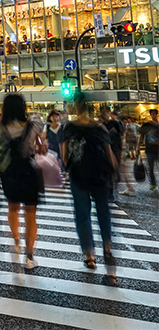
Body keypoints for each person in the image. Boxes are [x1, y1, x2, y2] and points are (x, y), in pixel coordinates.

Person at [61, 92, 117, 284]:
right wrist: (114, 173)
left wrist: (69, 170)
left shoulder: (69, 127)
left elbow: (65, 155)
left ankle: (90, 255)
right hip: (100, 177)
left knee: (83, 215)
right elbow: (110, 155)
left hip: (79, 176)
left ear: (75, 106)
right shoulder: (100, 127)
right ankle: (107, 248)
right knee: (103, 213)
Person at [0, 94, 43, 269]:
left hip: (8, 171)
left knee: (13, 208)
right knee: (30, 214)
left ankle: (16, 241)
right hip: (28, 171)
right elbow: (42, 148)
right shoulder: (33, 126)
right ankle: (29, 257)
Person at [101, 106, 135, 197]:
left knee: (113, 170)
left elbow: (121, 136)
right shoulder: (102, 124)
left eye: (108, 112)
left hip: (115, 148)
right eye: (105, 112)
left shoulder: (116, 123)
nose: (108, 114)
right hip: (106, 149)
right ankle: (108, 191)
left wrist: (121, 148)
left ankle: (111, 192)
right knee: (108, 170)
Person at [138, 109, 159, 191]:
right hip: (149, 149)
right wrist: (138, 147)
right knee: (150, 168)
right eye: (152, 114)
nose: (154, 115)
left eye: (155, 114)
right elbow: (141, 136)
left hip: (157, 150)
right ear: (150, 115)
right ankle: (153, 184)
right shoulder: (146, 125)